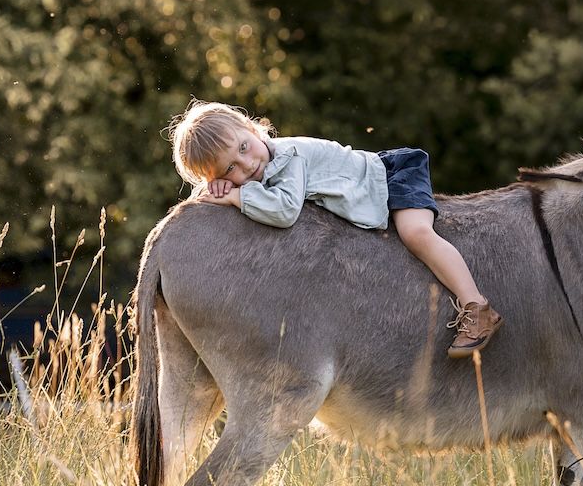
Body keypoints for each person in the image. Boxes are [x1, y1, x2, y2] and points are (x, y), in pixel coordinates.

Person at [167, 99, 502, 358]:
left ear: (250, 128)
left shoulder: (288, 157)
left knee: (416, 234)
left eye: (243, 148)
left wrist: (237, 196)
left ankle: (476, 305)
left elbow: (284, 210)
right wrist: (218, 192)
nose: (248, 164)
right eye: (230, 170)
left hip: (391, 176)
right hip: (370, 188)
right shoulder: (260, 165)